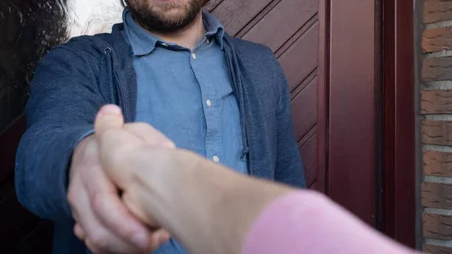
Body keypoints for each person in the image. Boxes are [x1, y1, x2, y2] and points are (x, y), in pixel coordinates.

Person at [15, 0, 304, 254]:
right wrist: (88, 160)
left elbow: (289, 201)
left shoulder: (261, 67)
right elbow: (40, 152)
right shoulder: (74, 65)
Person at [94, 104, 417, 254]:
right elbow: (51, 144)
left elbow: (288, 178)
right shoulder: (80, 60)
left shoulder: (260, 64)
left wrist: (146, 173)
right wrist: (85, 154)